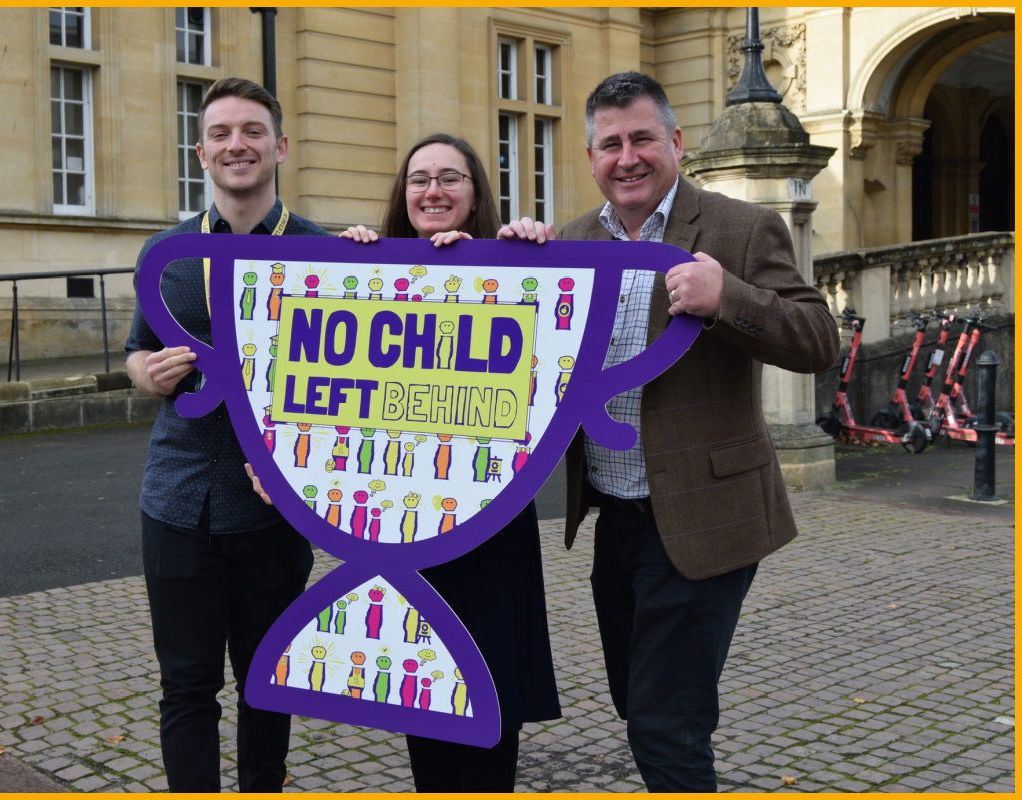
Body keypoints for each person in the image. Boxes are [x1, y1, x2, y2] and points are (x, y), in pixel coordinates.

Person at [500, 72, 839, 792]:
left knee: (665, 723)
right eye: (610, 143)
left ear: (676, 143)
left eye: (643, 139)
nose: (627, 157)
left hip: (706, 517)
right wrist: (512, 258)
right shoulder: (568, 240)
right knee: (637, 700)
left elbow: (817, 341)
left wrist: (729, 299)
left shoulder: (738, 229)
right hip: (614, 518)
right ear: (590, 156)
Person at [251, 133, 561, 792]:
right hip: (408, 527)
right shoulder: (373, 275)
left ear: (476, 192)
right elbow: (319, 391)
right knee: (427, 700)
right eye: (419, 179)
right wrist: (350, 268)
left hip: (490, 522)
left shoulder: (512, 266)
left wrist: (525, 249)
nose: (433, 191)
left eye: (451, 178)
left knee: (490, 707)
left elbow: (555, 360)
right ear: (404, 194)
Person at [124, 76, 328, 793]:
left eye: (250, 131)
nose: (235, 144)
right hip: (176, 503)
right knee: (185, 687)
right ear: (202, 151)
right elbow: (135, 352)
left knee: (267, 683)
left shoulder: (327, 252)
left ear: (280, 146)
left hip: (276, 511)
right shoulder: (165, 252)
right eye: (219, 134)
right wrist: (143, 375)